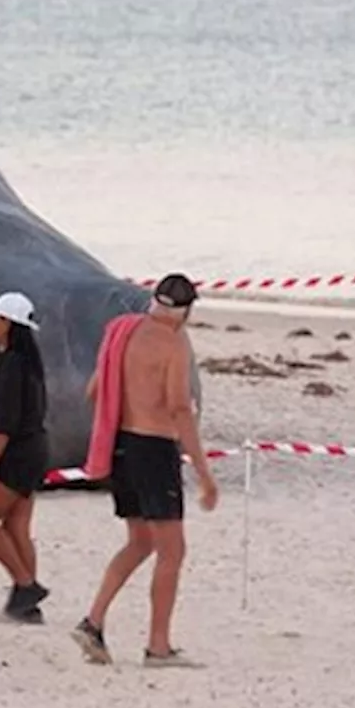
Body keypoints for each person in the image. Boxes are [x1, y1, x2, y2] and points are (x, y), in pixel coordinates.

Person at [70, 273, 220, 669]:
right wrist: (204, 472)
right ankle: (158, 646)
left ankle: (93, 620)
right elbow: (178, 408)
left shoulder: (123, 331)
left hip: (122, 446)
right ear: (186, 310)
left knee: (140, 542)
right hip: (154, 448)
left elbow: (93, 391)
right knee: (172, 549)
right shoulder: (172, 344)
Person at [0, 291, 52, 623]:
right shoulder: (28, 362)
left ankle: (25, 585)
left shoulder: (13, 364)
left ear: (8, 324)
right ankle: (25, 607)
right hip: (35, 450)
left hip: (17, 454)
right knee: (16, 526)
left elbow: (6, 420)